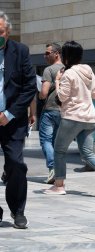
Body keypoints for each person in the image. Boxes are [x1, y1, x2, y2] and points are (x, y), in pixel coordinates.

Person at [43, 41, 95, 198]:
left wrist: (57, 81)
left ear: (66, 56)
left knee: (59, 150)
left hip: (72, 117)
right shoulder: (89, 70)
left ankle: (59, 185)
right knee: (88, 153)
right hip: (89, 118)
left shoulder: (68, 74)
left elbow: (62, 97)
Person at [0, 11, 37, 229]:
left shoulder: (20, 51)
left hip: (13, 121)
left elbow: (29, 86)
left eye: (0, 32)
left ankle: (18, 210)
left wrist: (9, 114)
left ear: (8, 32)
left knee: (16, 164)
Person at [38, 43, 64, 184]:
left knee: (46, 140)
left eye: (48, 53)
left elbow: (44, 92)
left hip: (50, 110)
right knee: (56, 142)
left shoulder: (49, 70)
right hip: (64, 111)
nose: (45, 56)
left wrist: (40, 96)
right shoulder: (68, 68)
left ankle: (53, 168)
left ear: (56, 54)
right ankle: (58, 172)